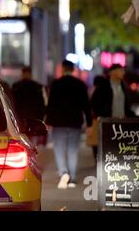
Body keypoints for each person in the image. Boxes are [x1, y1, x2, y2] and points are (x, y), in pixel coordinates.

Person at [45, 60, 92, 189]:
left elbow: (51, 104)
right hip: (75, 122)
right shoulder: (80, 84)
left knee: (59, 149)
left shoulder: (56, 84)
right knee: (73, 150)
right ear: (73, 70)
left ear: (63, 69)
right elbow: (86, 105)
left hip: (59, 122)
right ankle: (73, 179)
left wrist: (48, 121)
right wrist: (89, 123)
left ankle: (63, 172)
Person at [12, 66, 47, 146]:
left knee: (22, 142)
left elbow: (12, 103)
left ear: (22, 74)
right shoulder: (38, 87)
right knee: (33, 143)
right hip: (34, 120)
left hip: (20, 120)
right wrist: (41, 118)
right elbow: (42, 105)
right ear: (31, 74)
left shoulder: (16, 86)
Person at [86, 75, 107, 162]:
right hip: (104, 119)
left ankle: (97, 159)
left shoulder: (95, 91)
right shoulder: (106, 91)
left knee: (96, 141)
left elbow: (91, 105)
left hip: (96, 119)